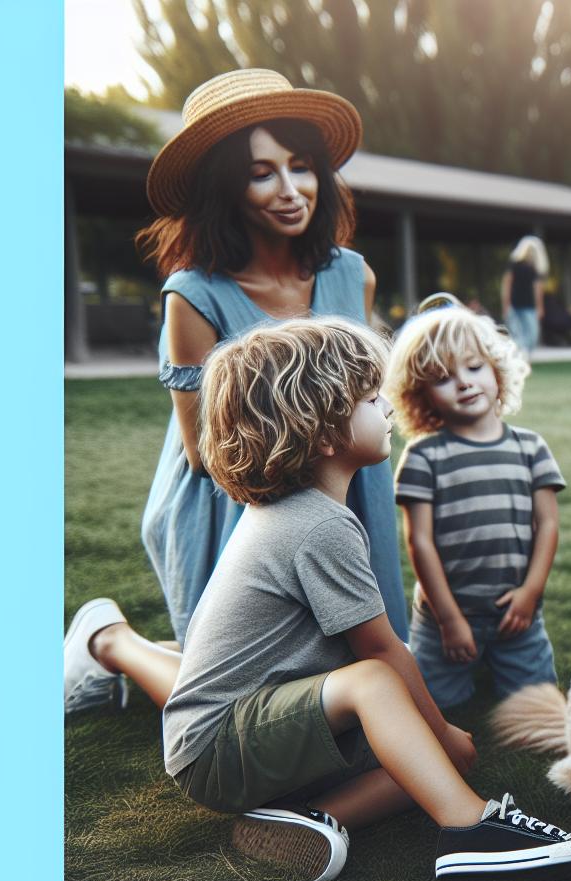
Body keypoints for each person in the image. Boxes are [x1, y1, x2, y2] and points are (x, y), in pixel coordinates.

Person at [63, 318, 571, 881]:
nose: (389, 410)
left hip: (252, 727)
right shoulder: (318, 525)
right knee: (384, 693)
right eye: (372, 400)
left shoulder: (300, 511)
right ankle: (473, 828)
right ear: (323, 432)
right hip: (217, 755)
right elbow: (380, 652)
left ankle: (307, 820)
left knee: (415, 750)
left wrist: (435, 742)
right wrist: (443, 731)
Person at [132, 68, 407, 649]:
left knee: (371, 664)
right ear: (224, 189)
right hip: (240, 498)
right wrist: (326, 447)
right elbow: (206, 453)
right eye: (262, 174)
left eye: (300, 166)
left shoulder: (353, 275)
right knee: (253, 680)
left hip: (350, 486)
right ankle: (112, 642)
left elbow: (365, 397)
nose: (290, 189)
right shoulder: (193, 295)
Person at [384, 304, 568, 714]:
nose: (463, 383)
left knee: (537, 707)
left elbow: (548, 525)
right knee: (434, 706)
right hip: (443, 615)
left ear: (498, 371)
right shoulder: (423, 456)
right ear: (421, 396)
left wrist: (530, 594)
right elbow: (420, 541)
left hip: (515, 614)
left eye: (473, 367)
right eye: (443, 378)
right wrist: (449, 620)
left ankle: (498, 657)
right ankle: (459, 652)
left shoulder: (530, 448)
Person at [501, 235, 548, 357]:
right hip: (515, 305)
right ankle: (520, 357)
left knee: (532, 335)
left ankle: (525, 355)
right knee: (516, 334)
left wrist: (539, 307)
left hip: (530, 307)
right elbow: (507, 284)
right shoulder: (514, 265)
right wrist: (506, 304)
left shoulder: (535, 269)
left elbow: (538, 289)